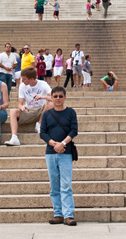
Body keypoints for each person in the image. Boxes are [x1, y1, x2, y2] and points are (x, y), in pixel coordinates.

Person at [41, 86, 78, 225]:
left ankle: (68, 214)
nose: (57, 99)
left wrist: (62, 143)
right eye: (55, 96)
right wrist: (53, 144)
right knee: (54, 185)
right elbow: (42, 133)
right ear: (51, 98)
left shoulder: (70, 112)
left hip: (65, 152)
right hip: (51, 153)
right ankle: (58, 213)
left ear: (65, 97)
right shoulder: (47, 114)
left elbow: (74, 130)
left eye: (60, 96)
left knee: (66, 184)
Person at [6, 66, 53, 146]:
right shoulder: (22, 86)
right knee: (13, 111)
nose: (22, 80)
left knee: (51, 103)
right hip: (29, 110)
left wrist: (43, 97)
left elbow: (54, 98)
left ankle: (39, 124)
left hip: (42, 111)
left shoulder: (43, 84)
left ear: (31, 79)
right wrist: (22, 107)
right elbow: (20, 104)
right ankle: (14, 137)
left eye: (24, 79)